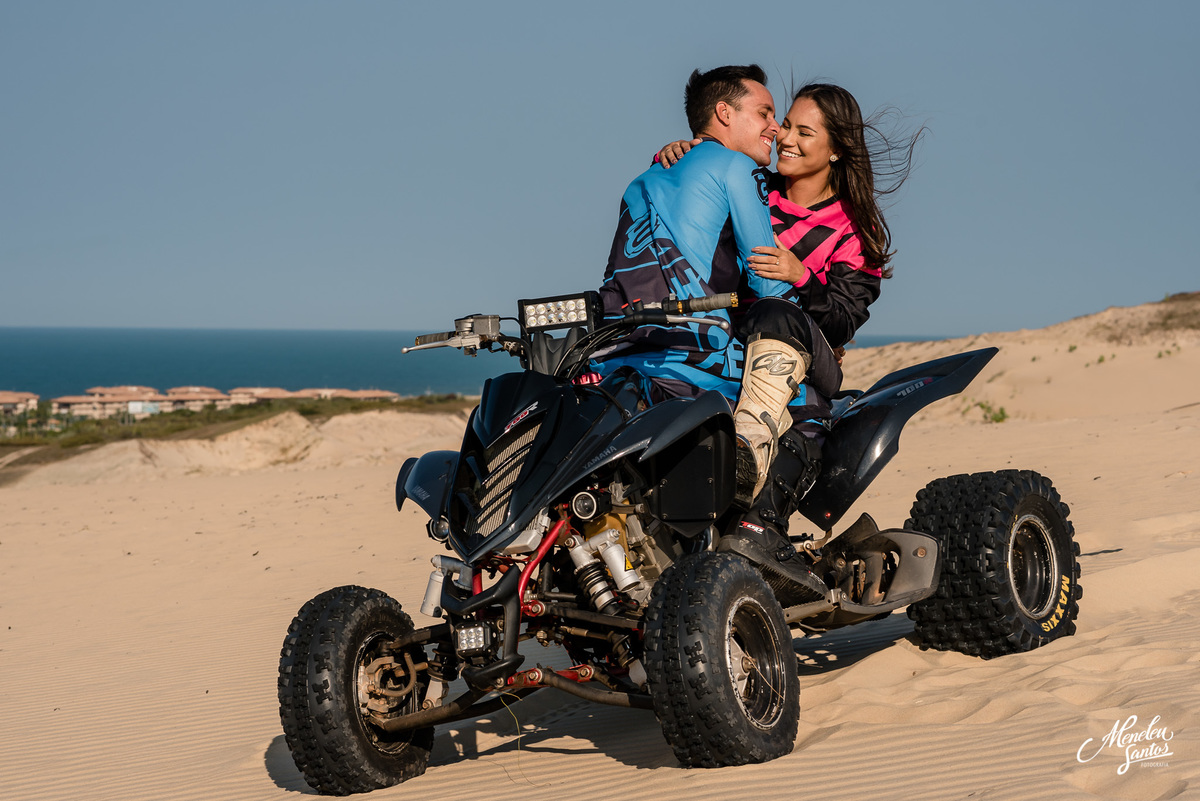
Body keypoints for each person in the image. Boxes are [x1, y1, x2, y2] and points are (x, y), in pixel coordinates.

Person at [657, 82, 921, 580]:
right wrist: (684, 154)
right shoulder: (752, 188)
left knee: (775, 316)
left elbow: (845, 317)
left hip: (808, 351)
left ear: (836, 149)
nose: (785, 138)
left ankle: (760, 504)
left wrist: (800, 275)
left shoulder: (851, 229)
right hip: (730, 347)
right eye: (784, 126)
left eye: (805, 131)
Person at [595, 64, 813, 505]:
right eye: (765, 112)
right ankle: (764, 532)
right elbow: (768, 283)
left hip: (622, 358)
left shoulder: (643, 180)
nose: (776, 127)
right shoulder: (735, 167)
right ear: (724, 113)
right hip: (698, 357)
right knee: (813, 409)